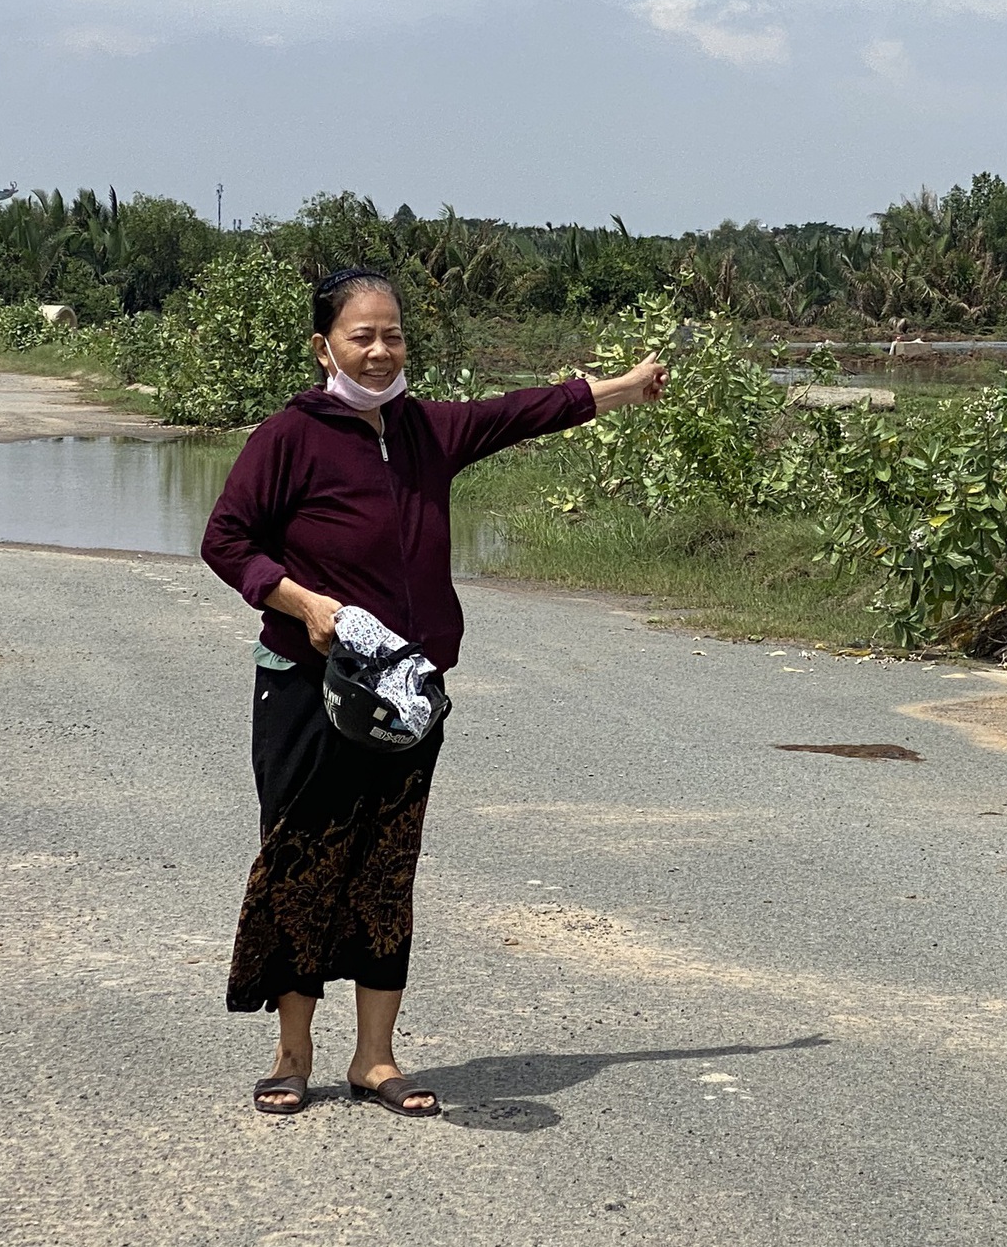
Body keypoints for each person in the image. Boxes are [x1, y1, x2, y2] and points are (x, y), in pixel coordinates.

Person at [201, 267, 668, 1117]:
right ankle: (292, 1052)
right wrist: (304, 604)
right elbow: (226, 540)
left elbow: (522, 411)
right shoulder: (288, 437)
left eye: (393, 335)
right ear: (323, 347)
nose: (380, 352)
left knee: (386, 868)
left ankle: (374, 1060)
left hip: (407, 696)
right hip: (309, 687)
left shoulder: (427, 431)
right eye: (361, 337)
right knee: (303, 863)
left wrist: (624, 389)